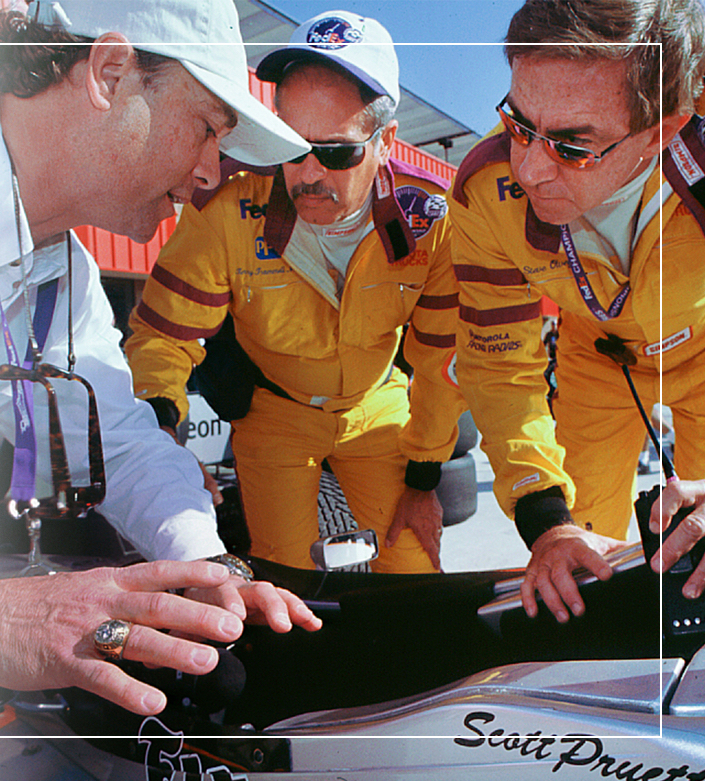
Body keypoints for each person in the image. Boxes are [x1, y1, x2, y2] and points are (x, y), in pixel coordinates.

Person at [0, 0, 322, 719]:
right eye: (206, 131)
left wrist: (208, 565)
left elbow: (119, 441)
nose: (209, 174)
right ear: (108, 70)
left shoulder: (58, 274)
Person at [123, 10, 464, 573]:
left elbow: (440, 357)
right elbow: (163, 337)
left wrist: (425, 476)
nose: (307, 174)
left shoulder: (431, 222)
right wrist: (163, 442)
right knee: (284, 578)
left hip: (377, 406)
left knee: (412, 569)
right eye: (289, 146)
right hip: (275, 414)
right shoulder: (225, 210)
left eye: (335, 153)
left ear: (386, 142)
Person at [449, 0, 705, 622]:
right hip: (598, 360)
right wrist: (546, 523)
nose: (530, 168)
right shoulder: (484, 190)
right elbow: (500, 366)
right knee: (580, 575)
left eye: (572, 145)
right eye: (517, 123)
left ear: (663, 130)